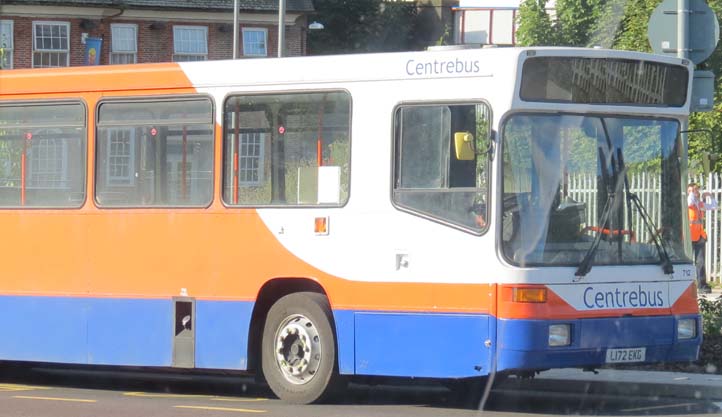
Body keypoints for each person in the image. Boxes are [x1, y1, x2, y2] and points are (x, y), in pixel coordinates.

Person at [688, 182, 718, 294]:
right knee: (688, 262)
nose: (696, 192)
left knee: (700, 262)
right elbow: (691, 200)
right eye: (693, 190)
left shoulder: (699, 204)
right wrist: (692, 191)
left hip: (700, 236)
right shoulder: (688, 201)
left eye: (697, 190)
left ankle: (702, 285)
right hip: (689, 237)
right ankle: (688, 285)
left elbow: (714, 206)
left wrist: (710, 196)